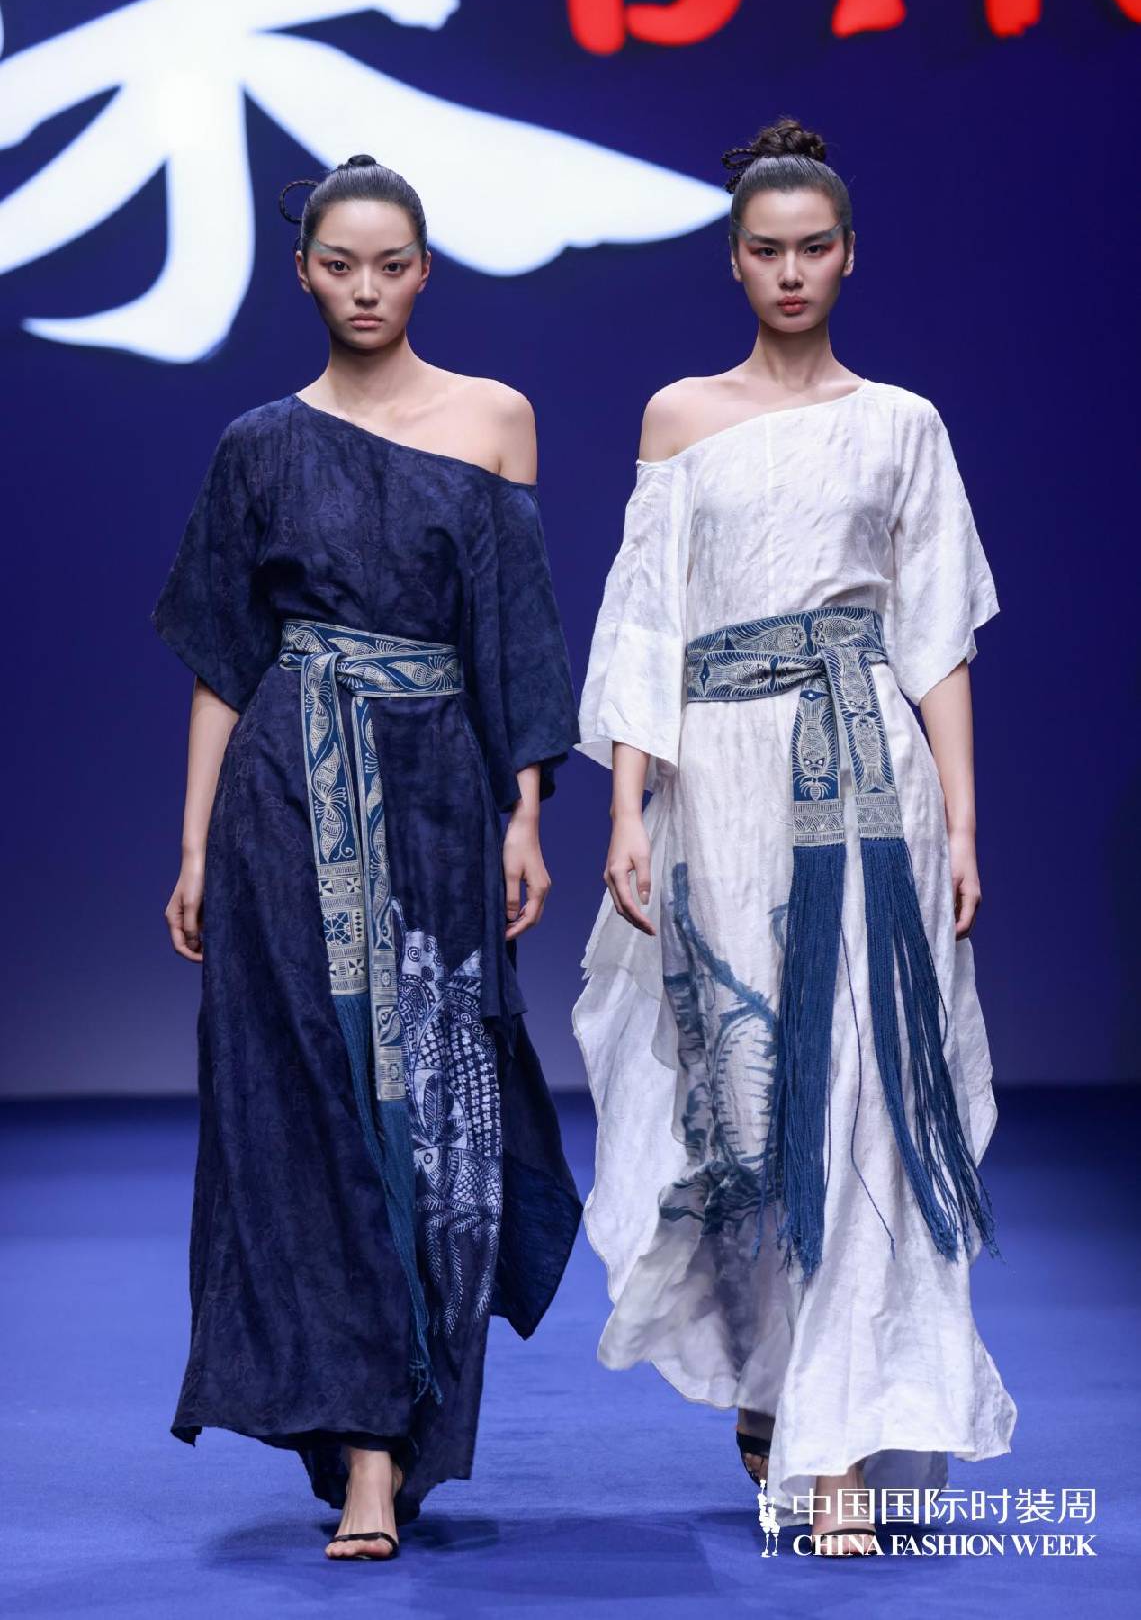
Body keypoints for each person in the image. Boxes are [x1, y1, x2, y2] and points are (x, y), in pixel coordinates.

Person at [572, 118, 1017, 1556]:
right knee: (751, 1103)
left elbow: (935, 636)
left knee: (866, 1100)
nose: (788, 271)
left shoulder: (903, 425)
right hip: (720, 785)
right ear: (732, 260)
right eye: (764, 249)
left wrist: (962, 819)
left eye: (812, 247)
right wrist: (625, 804)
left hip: (868, 785)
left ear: (848, 255)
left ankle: (835, 1457)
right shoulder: (679, 417)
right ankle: (774, 1382)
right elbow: (645, 625)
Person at [153, 154, 582, 1561]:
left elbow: (516, 636)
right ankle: (367, 1455)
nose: (365, 289)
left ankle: (405, 1418)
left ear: (424, 271)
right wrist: (195, 841)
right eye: (339, 265)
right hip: (287, 791)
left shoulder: (493, 419)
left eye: (390, 265)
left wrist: (526, 810)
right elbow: (224, 660)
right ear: (303, 273)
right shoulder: (258, 446)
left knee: (438, 1106)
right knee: (308, 1102)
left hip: (441, 791)